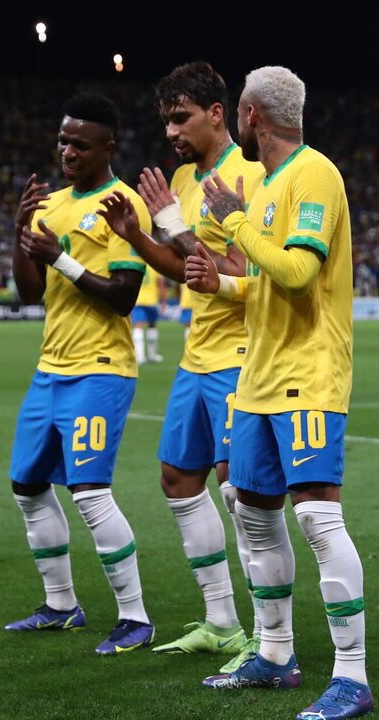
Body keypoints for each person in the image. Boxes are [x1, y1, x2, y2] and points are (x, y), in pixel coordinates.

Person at [184, 65, 374, 720]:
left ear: (248, 114)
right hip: (259, 376)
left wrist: (235, 227)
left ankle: (352, 677)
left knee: (317, 515)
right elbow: (267, 282)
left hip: (310, 372)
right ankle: (275, 654)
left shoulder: (313, 174)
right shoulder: (265, 187)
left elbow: (298, 272)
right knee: (254, 511)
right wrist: (223, 286)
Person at [96, 61, 263, 668]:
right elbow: (184, 268)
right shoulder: (183, 179)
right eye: (166, 119)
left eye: (181, 117)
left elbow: (248, 273)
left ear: (217, 114)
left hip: (242, 353)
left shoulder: (248, 174)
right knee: (177, 478)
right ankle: (220, 622)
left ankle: (268, 637)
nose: (171, 131)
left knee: (240, 492)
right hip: (198, 355)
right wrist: (139, 236)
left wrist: (172, 225)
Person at [5, 92, 157, 656]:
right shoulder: (53, 204)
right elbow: (29, 293)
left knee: (90, 492)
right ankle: (61, 605)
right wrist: (20, 232)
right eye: (63, 140)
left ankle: (136, 618)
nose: (67, 151)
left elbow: (123, 298)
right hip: (50, 368)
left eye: (80, 144)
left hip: (101, 368)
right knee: (27, 486)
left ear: (107, 148)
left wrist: (60, 258)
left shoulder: (123, 206)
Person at [132, 265, 167, 364]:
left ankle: (140, 356)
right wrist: (164, 302)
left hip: (138, 299)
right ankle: (152, 355)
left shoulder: (137, 265)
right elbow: (161, 285)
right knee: (152, 326)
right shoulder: (154, 265)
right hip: (152, 300)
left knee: (138, 326)